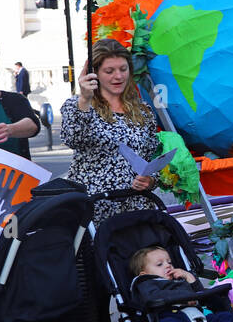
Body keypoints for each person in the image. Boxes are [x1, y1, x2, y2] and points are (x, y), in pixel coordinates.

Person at [60, 39, 162, 224]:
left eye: (123, 69)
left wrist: (151, 180)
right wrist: (84, 100)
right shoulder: (77, 105)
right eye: (109, 71)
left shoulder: (143, 110)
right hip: (95, 208)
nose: (118, 76)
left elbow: (152, 157)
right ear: (95, 73)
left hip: (136, 206)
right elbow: (72, 138)